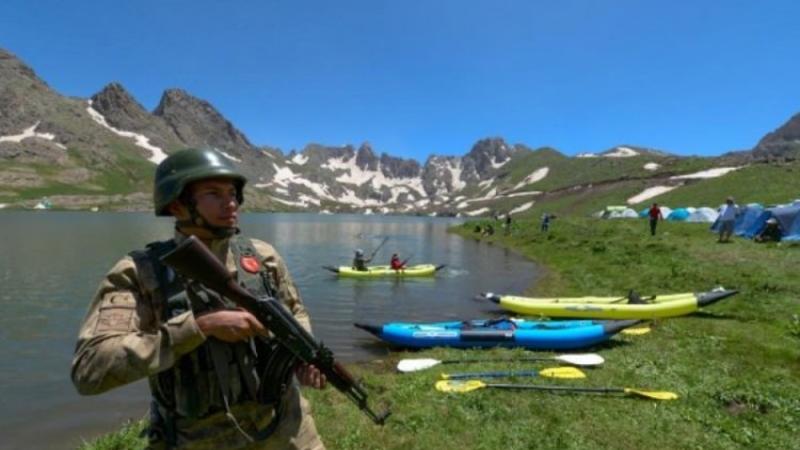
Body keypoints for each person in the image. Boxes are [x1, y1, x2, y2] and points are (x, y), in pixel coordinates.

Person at [71, 148, 326, 449]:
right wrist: (198, 327)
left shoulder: (263, 257)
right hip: (197, 439)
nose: (230, 202)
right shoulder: (141, 272)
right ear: (178, 205)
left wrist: (302, 358)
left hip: (289, 429)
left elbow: (295, 313)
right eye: (213, 193)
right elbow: (89, 370)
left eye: (233, 193)